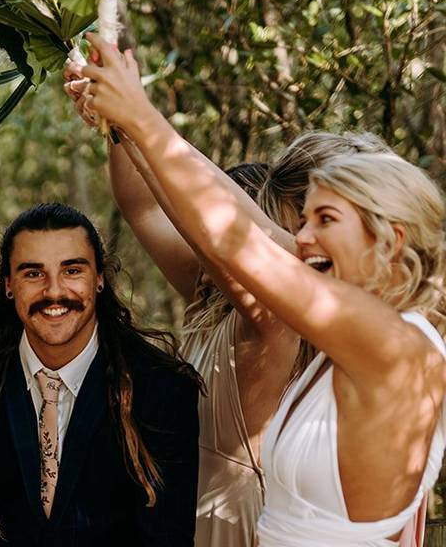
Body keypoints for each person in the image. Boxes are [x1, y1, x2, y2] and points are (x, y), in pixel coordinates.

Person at [79, 34, 446, 546]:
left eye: (326, 219)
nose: (302, 239)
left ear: (388, 236)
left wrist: (140, 118)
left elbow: (239, 239)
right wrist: (124, 123)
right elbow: (232, 233)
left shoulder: (394, 342)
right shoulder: (345, 337)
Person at [0, 203, 201, 546]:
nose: (54, 291)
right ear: (9, 284)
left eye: (72, 270)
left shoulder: (161, 389)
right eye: (33, 273)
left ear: (99, 278)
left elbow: (166, 537)